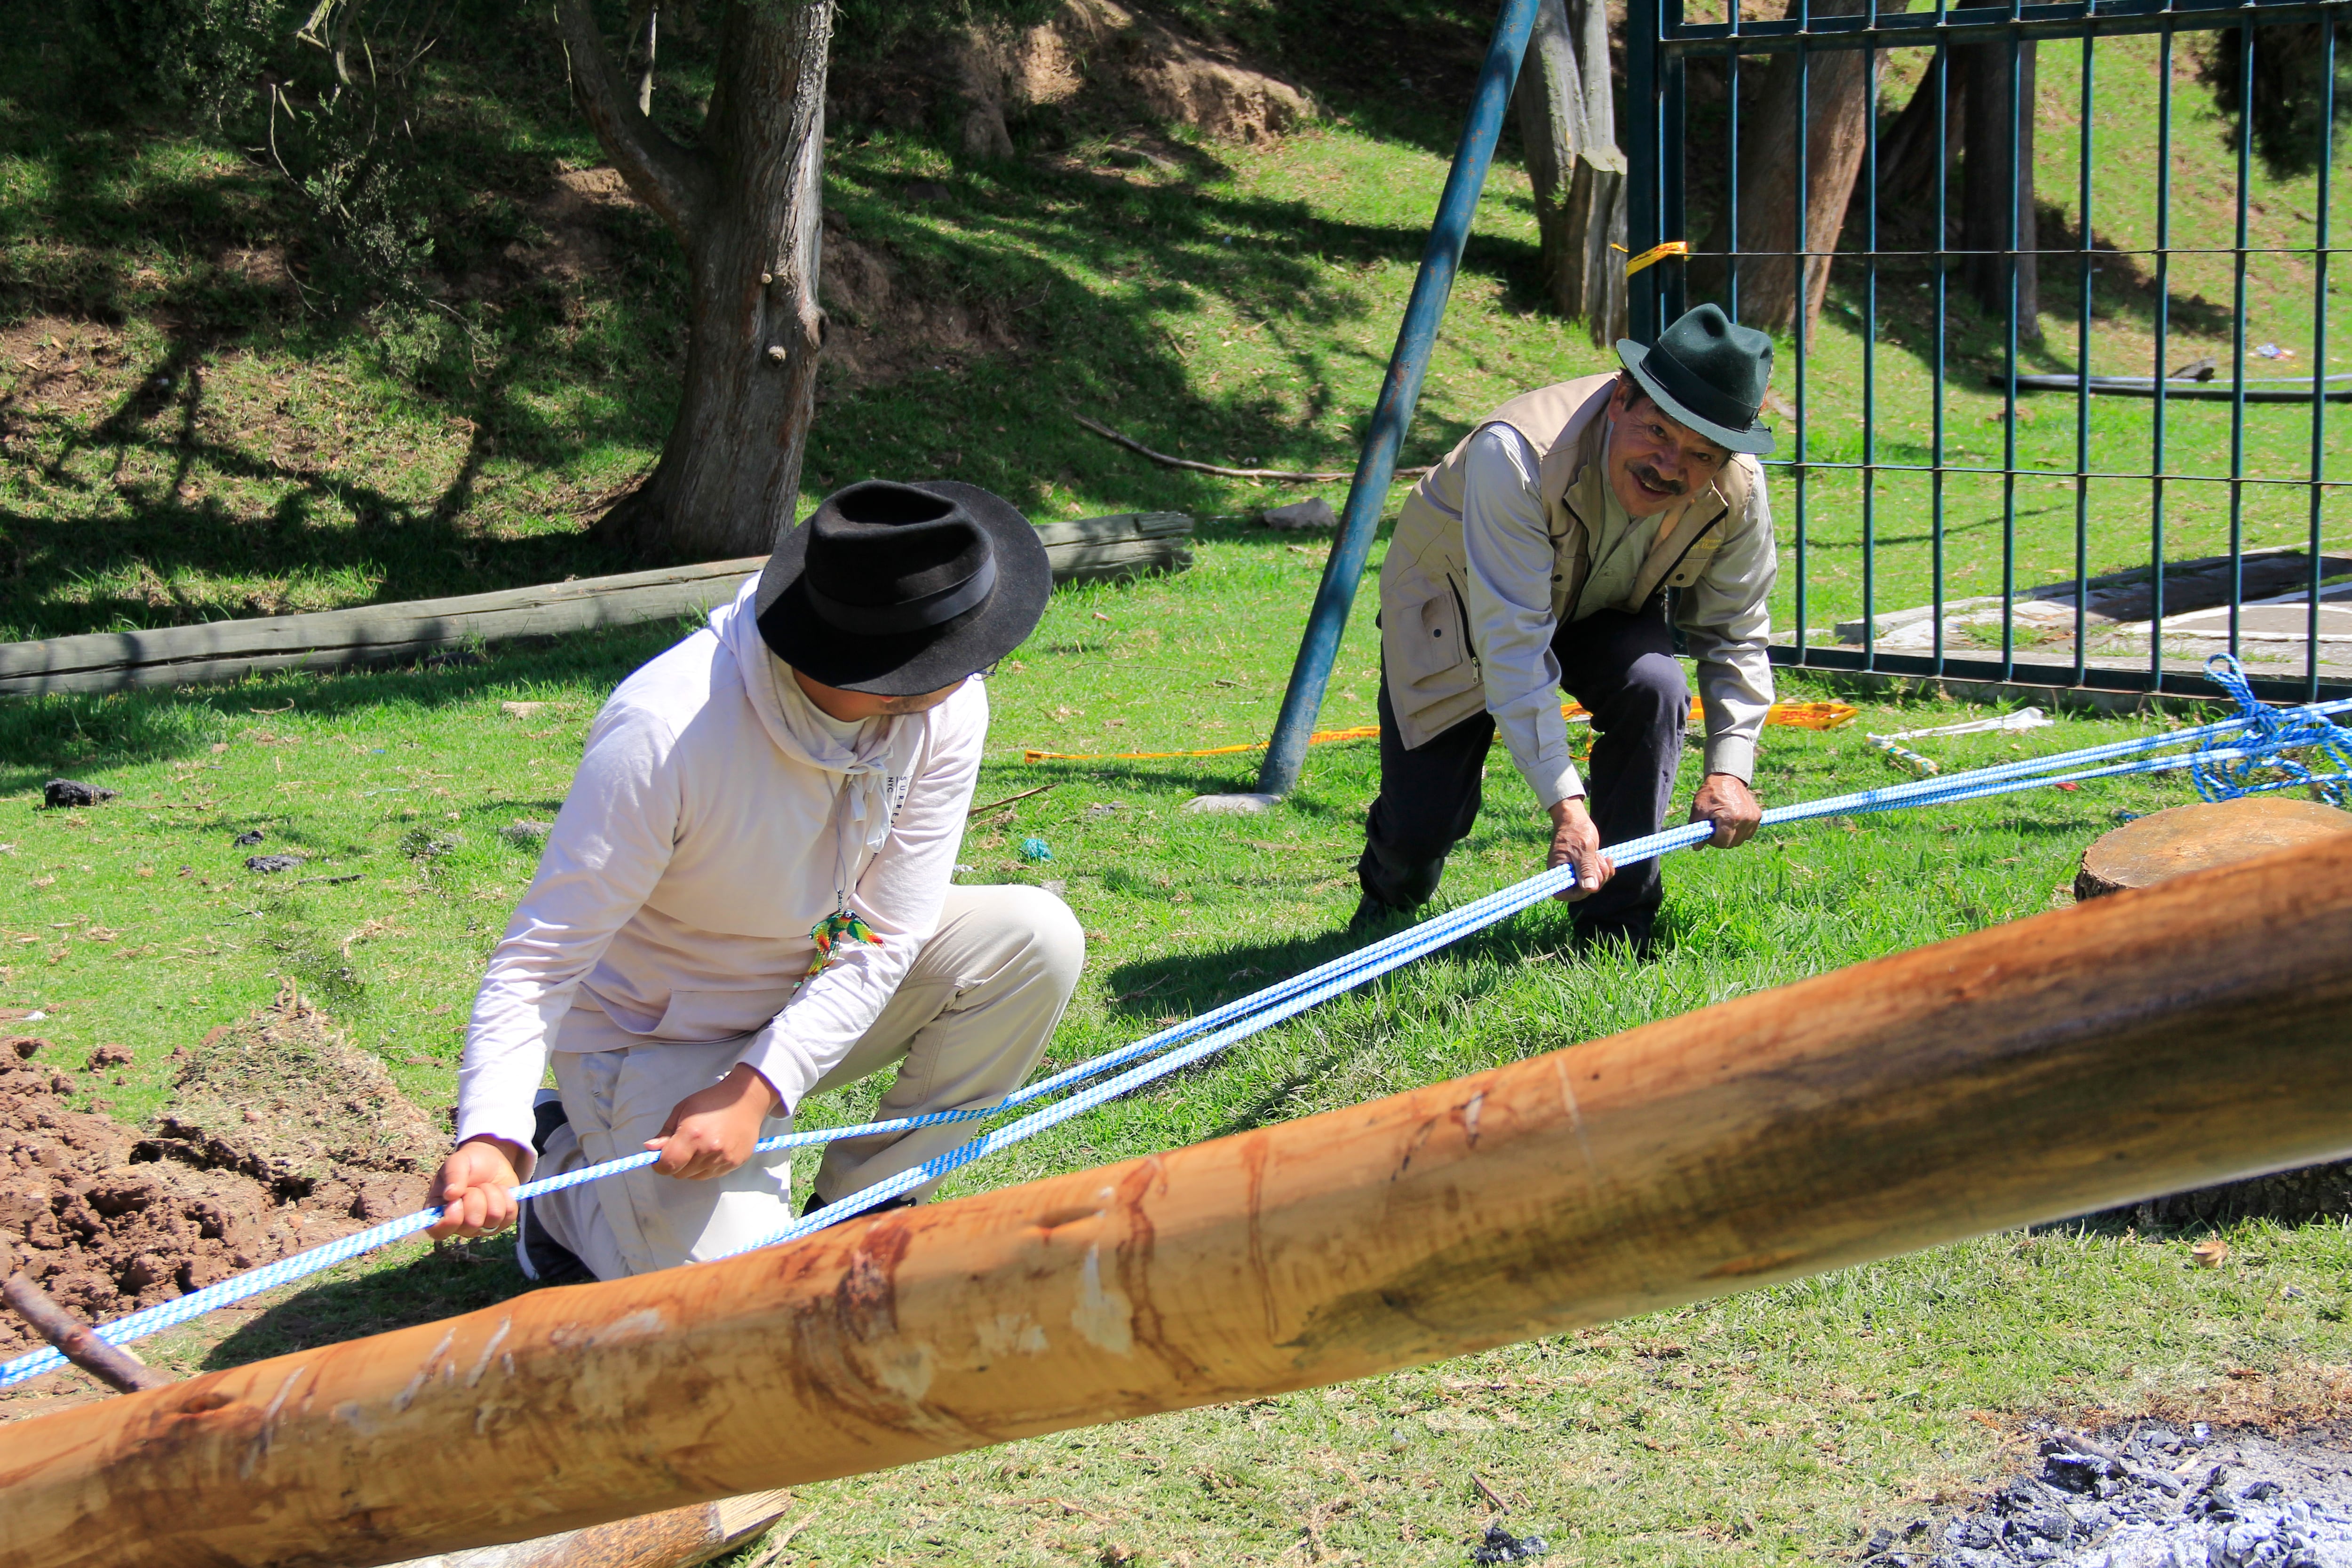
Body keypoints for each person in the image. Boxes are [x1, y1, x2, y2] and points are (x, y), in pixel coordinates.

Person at [425, 479, 1084, 1281]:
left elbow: (886, 934)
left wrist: (756, 1086)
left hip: (805, 998)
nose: (983, 664)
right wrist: (491, 1135)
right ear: (895, 672)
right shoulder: (665, 731)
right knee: (730, 1297)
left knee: (1034, 939)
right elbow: (539, 961)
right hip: (653, 1039)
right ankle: (565, 1180)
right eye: (969, 650)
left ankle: (865, 1215)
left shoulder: (947, 707)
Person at [1354, 303, 1780, 955]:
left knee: (1656, 688)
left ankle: (1614, 930)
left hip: (1599, 604)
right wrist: (1565, 806)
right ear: (1620, 399)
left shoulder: (1740, 489)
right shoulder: (1516, 455)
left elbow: (1737, 631)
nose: (1670, 466)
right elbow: (1512, 643)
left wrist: (1732, 769)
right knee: (1422, 825)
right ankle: (1388, 897)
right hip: (1461, 605)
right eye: (1658, 433)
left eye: (1700, 453)